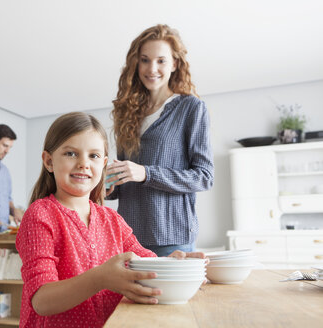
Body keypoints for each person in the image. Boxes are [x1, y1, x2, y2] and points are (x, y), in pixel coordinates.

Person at [15, 112, 205, 328]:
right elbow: (41, 301)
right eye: (71, 153)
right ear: (49, 161)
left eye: (93, 156)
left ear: (104, 164)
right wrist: (100, 278)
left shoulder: (112, 219)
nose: (83, 164)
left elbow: (145, 262)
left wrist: (174, 262)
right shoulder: (39, 215)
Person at [106, 24, 214, 257]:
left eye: (161, 61)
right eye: (144, 60)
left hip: (172, 238)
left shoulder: (191, 108)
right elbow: (126, 181)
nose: (151, 68)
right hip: (129, 239)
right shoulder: (127, 112)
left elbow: (204, 177)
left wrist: (146, 173)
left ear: (175, 64)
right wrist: (108, 185)